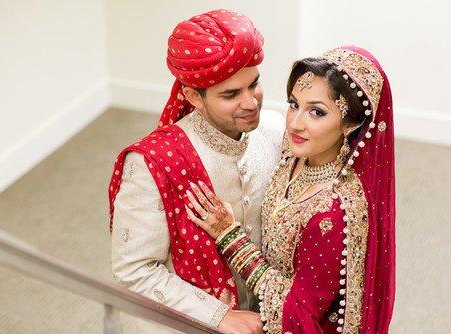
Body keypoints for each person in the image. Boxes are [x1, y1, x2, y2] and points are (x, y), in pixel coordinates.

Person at [186, 46, 396, 333]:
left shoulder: (332, 214)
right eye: (294, 104)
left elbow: (298, 314)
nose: (295, 124)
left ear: (351, 123)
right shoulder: (294, 152)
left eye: (317, 112)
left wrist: (231, 239)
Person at [108, 9, 284, 334]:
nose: (251, 102)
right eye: (230, 94)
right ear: (193, 96)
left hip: (271, 308)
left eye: (254, 84)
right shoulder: (154, 163)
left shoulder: (275, 129)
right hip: (192, 320)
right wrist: (219, 316)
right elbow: (134, 269)